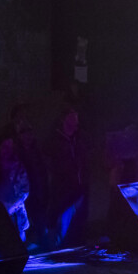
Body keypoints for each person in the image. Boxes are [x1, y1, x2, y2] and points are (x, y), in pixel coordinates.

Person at [0, 108, 32, 241]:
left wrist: (13, 205)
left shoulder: (18, 166)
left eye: (10, 148)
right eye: (4, 147)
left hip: (16, 217)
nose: (7, 151)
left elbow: (25, 190)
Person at [41, 105, 87, 248]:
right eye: (71, 120)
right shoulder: (54, 140)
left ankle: (72, 245)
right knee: (58, 216)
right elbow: (47, 161)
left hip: (77, 186)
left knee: (75, 219)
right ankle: (55, 247)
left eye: (76, 121)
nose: (74, 125)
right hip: (60, 187)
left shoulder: (77, 140)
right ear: (63, 120)